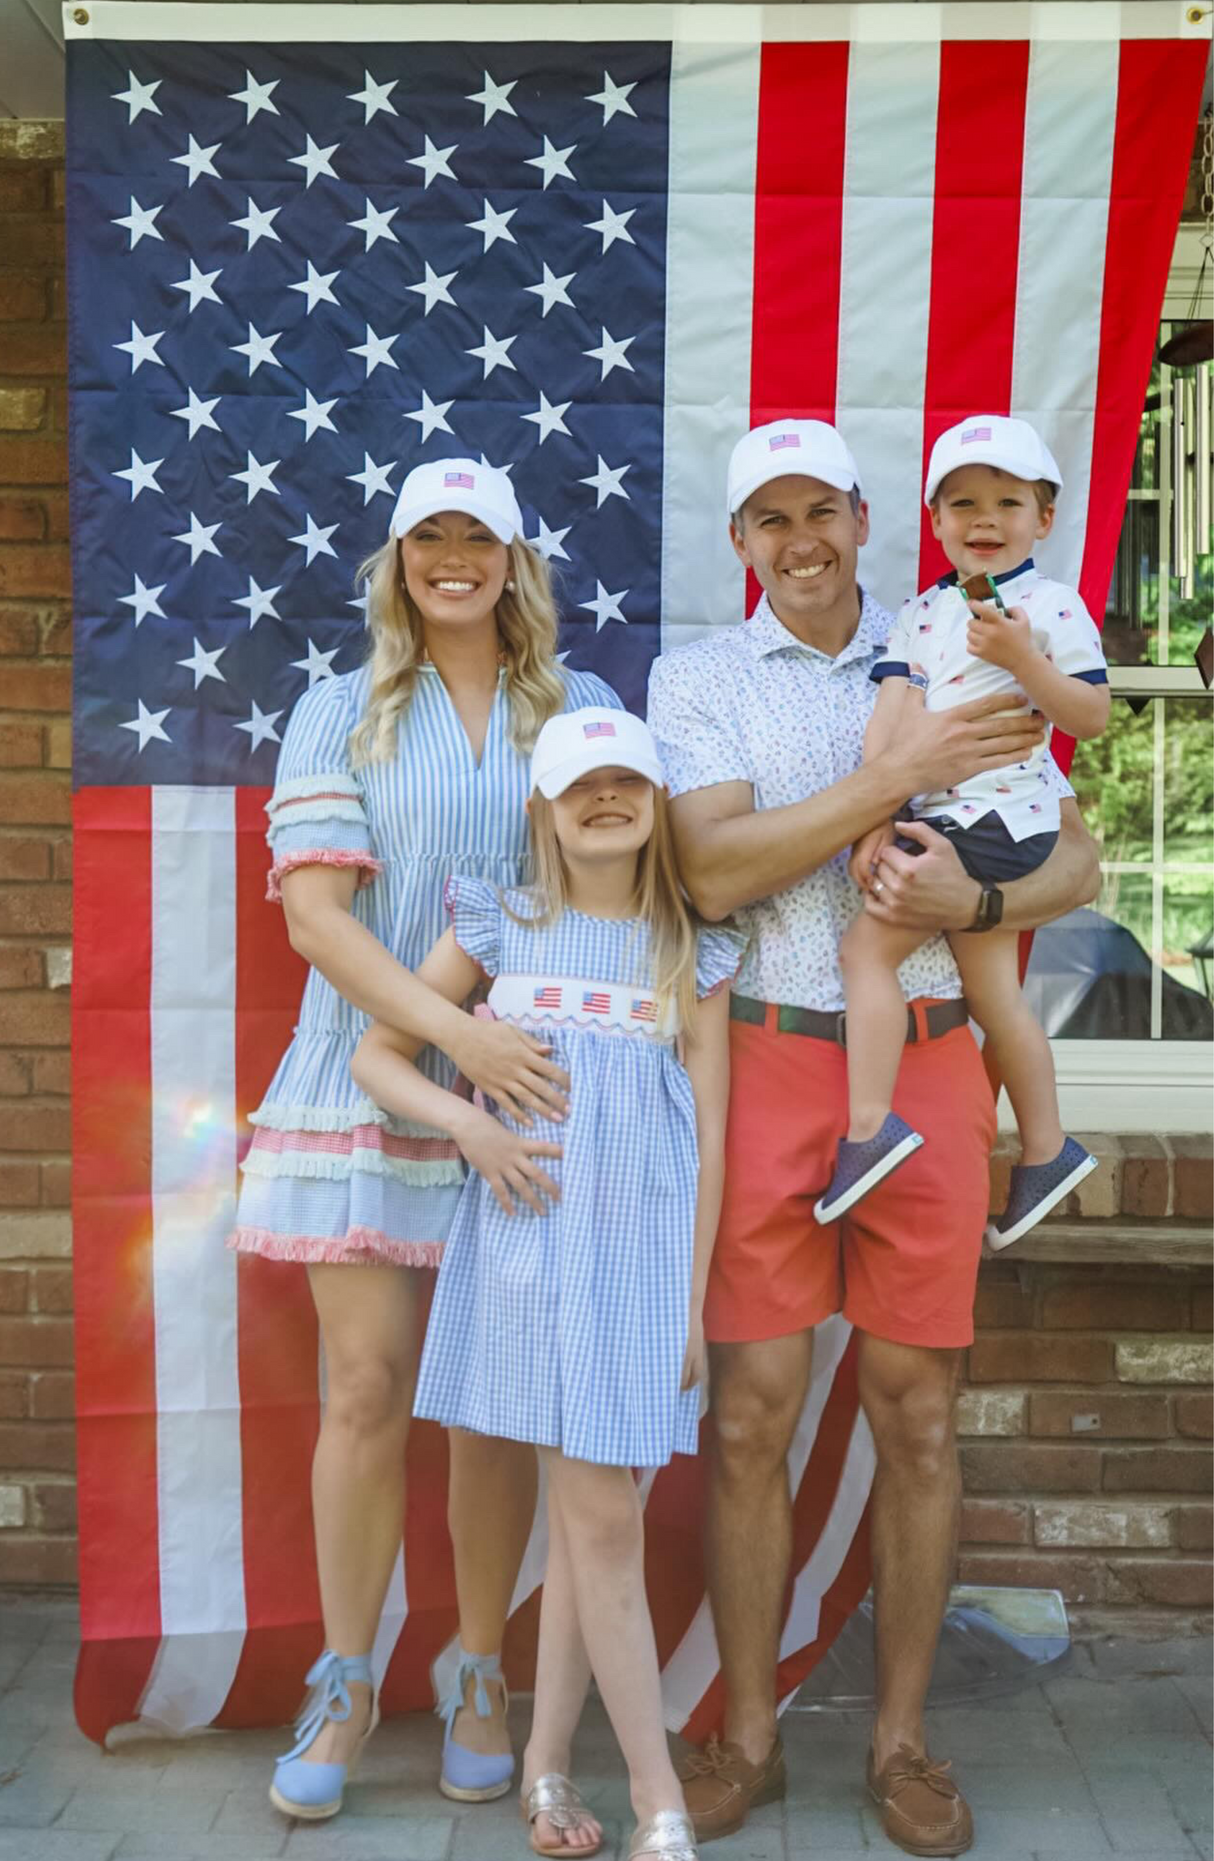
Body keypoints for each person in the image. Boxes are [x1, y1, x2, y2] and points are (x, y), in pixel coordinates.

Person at [646, 418, 1100, 1858]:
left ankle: (901, 1745)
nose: (798, 541)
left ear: (859, 516)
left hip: (928, 1066)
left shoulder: (964, 630)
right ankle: (748, 1736)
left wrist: (973, 909)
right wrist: (891, 777)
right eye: (766, 521)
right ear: (740, 543)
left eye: (819, 512)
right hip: (772, 1062)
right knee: (748, 1419)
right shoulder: (698, 677)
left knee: (914, 1414)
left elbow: (1072, 854)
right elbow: (712, 869)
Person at [228, 458, 622, 1821]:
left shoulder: (582, 710)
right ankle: (342, 1677)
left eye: (480, 537)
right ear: (397, 560)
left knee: (494, 1399)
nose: (454, 558)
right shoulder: (338, 710)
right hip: (363, 1081)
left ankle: (476, 1669)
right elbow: (317, 920)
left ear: (518, 559)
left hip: (531, 1092)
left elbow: (617, 891)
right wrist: (453, 1045)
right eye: (428, 538)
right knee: (365, 1386)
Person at [351, 707, 743, 1861]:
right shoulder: (503, 924)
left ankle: (543, 1767)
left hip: (637, 1269)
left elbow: (708, 1139)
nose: (606, 799)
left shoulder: (690, 952)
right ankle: (656, 1791)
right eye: (582, 785)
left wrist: (685, 1305)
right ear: (542, 809)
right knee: (601, 1519)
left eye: (628, 781)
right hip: (529, 1256)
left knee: (591, 1527)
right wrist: (465, 1131)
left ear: (656, 800)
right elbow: (379, 1052)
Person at [821, 415, 1108, 1244]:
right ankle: (1046, 1149)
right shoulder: (919, 615)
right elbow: (891, 720)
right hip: (937, 813)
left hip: (1000, 817)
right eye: (963, 502)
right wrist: (873, 815)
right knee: (995, 995)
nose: (985, 519)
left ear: (1044, 518)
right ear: (936, 519)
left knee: (864, 952)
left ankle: (870, 1125)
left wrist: (1024, 662)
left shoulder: (1052, 608)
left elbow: (1088, 716)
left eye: (1008, 502)